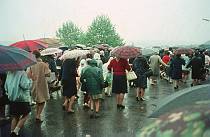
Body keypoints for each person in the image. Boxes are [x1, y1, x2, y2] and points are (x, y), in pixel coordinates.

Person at [5, 70, 33, 137]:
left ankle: (12, 132)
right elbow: (25, 86)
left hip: (12, 98)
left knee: (15, 116)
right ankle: (15, 132)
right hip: (22, 99)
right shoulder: (22, 73)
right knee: (26, 114)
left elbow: (5, 86)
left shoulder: (9, 73)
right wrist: (30, 79)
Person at [30, 50, 51, 122]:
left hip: (34, 84)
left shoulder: (31, 64)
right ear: (39, 56)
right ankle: (38, 115)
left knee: (37, 100)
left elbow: (28, 75)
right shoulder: (43, 64)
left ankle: (37, 114)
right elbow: (48, 74)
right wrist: (48, 67)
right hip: (42, 84)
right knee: (42, 101)